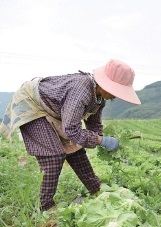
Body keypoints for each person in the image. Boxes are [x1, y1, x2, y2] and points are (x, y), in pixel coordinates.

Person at [0, 59, 141, 211]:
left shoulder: (99, 98)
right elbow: (71, 130)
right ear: (105, 85)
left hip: (54, 110)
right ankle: (45, 207)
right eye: (116, 91)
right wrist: (100, 140)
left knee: (75, 149)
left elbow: (94, 123)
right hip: (33, 103)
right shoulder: (81, 92)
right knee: (54, 155)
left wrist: (99, 136)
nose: (116, 96)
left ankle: (96, 188)